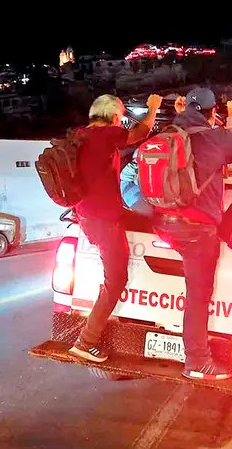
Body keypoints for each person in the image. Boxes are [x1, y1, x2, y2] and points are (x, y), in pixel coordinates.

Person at [153, 88, 232, 380]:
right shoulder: (214, 137)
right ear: (212, 112)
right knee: (198, 295)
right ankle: (198, 361)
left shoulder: (168, 132)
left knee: (190, 283)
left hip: (164, 222)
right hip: (196, 230)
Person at [68, 93, 163, 363]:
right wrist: (153, 108)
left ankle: (90, 331)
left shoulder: (81, 134)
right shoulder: (107, 135)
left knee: (112, 275)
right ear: (113, 117)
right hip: (104, 220)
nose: (121, 122)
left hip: (86, 216)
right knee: (116, 279)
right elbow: (140, 132)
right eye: (120, 117)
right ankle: (86, 341)